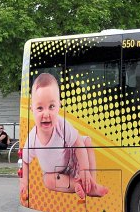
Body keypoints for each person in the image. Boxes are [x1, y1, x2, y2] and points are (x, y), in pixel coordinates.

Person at [20, 73, 108, 203]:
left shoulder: (61, 125)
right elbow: (25, 161)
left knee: (86, 142)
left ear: (59, 106)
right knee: (48, 180)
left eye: (51, 107)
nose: (46, 114)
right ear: (31, 109)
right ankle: (77, 185)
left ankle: (90, 184)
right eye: (40, 108)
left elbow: (78, 143)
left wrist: (84, 170)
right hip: (57, 173)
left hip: (73, 158)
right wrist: (24, 183)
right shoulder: (32, 138)